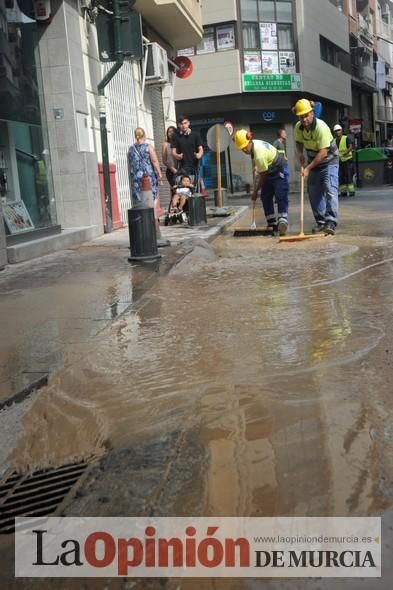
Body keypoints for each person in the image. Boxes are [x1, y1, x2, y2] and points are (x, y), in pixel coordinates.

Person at [293, 98, 339, 236]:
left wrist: (307, 168)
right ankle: (321, 222)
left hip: (329, 161)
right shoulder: (298, 127)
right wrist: (300, 154)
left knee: (330, 190)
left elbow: (323, 152)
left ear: (312, 113)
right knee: (314, 194)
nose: (304, 119)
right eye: (301, 117)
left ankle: (331, 222)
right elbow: (299, 142)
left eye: (306, 116)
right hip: (314, 162)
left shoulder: (321, 127)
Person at [233, 129, 289, 236]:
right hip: (267, 167)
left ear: (248, 143)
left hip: (278, 168)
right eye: (242, 149)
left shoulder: (259, 154)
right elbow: (257, 160)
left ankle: (283, 220)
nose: (244, 150)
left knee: (280, 193)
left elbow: (263, 176)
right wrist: (255, 166)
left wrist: (255, 192)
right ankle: (272, 223)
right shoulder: (254, 144)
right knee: (266, 196)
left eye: (244, 148)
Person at [128, 127, 162, 207]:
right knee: (151, 195)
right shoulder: (148, 147)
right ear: (144, 135)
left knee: (139, 197)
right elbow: (154, 161)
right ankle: (151, 214)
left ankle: (142, 215)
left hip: (136, 177)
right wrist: (159, 172)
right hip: (148, 175)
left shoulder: (131, 149)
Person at [172, 115, 203, 183]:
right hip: (181, 167)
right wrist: (177, 155)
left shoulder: (196, 135)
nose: (183, 125)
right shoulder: (175, 136)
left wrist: (199, 154)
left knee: (194, 188)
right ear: (178, 125)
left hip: (194, 167)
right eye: (181, 124)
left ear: (189, 123)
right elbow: (173, 152)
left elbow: (200, 148)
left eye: (185, 123)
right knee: (182, 188)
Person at [333, 124, 355, 197]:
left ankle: (351, 191)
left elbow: (351, 146)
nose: (337, 132)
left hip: (348, 160)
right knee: (341, 176)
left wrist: (347, 152)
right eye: (336, 131)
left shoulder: (346, 138)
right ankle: (343, 192)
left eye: (338, 130)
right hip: (339, 161)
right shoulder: (334, 141)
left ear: (341, 131)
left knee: (348, 175)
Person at [162, 126, 178, 191]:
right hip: (171, 171)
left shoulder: (178, 143)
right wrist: (172, 168)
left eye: (172, 132)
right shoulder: (165, 144)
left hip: (181, 170)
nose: (171, 133)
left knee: (182, 191)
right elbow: (164, 160)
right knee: (175, 190)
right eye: (169, 132)